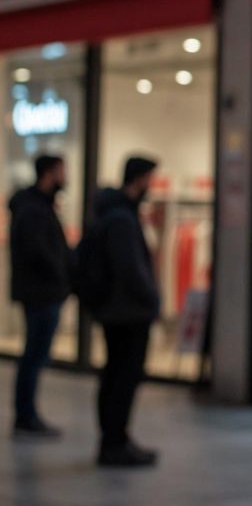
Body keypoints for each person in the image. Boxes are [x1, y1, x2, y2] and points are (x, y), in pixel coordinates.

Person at [91, 156, 161, 467]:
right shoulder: (122, 218)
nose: (151, 185)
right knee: (123, 376)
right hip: (127, 312)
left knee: (115, 374)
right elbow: (130, 268)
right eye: (149, 178)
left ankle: (115, 438)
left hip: (117, 310)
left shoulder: (115, 212)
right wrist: (152, 299)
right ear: (139, 178)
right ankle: (114, 442)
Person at [8, 154, 72, 438]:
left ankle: (27, 414)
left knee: (34, 355)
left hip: (43, 291)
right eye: (62, 171)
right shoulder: (33, 208)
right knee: (34, 355)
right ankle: (26, 416)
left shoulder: (37, 205)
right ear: (49, 173)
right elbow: (40, 253)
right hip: (41, 292)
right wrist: (61, 276)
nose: (65, 177)